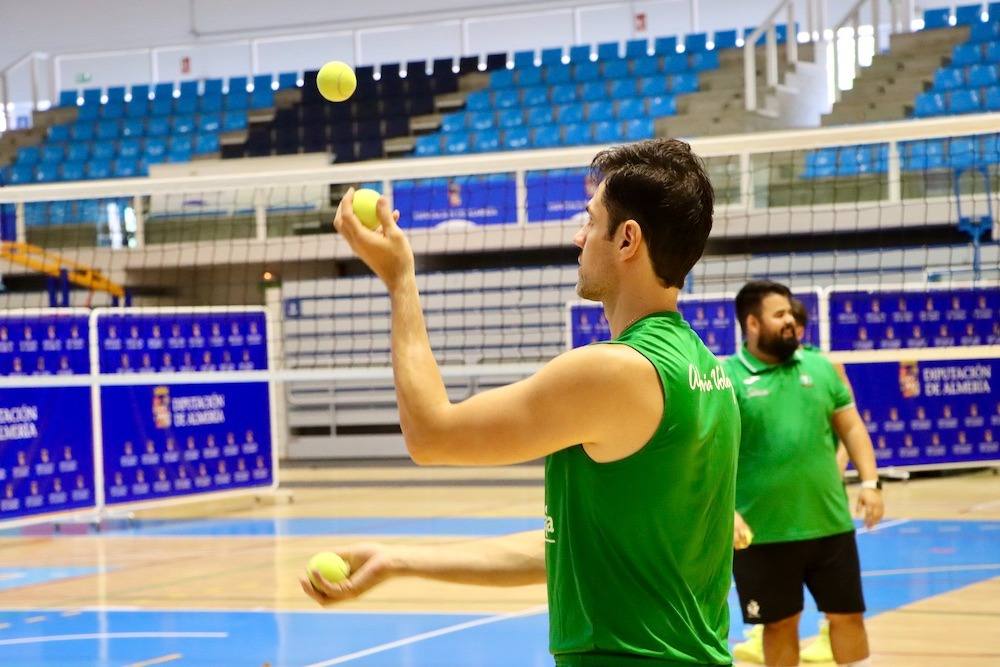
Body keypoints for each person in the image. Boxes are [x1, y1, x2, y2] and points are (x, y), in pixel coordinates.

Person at [301, 138, 742, 666]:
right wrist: (398, 561)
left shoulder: (615, 371)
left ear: (627, 239)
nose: (578, 237)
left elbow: (431, 434)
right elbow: (567, 549)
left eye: (590, 220)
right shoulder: (709, 371)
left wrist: (399, 280)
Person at [726, 281, 884, 667]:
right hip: (762, 533)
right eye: (778, 314)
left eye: (790, 313)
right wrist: (725, 510)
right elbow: (710, 455)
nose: (790, 321)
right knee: (779, 625)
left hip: (829, 525)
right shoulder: (727, 378)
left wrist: (870, 482)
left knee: (848, 617)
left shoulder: (820, 367)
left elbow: (851, 426)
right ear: (752, 323)